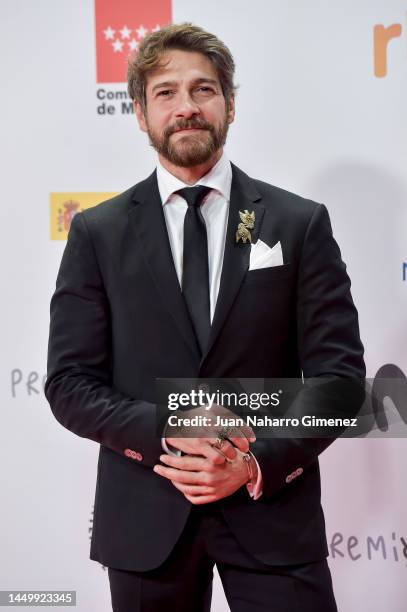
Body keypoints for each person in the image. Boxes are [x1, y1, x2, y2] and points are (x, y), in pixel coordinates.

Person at [45, 22, 365, 612]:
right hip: (146, 519)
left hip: (273, 518)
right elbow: (69, 384)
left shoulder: (298, 223)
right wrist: (169, 433)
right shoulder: (98, 233)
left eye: (204, 90)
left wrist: (250, 464)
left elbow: (340, 383)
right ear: (140, 113)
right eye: (165, 93)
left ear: (231, 104)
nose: (186, 107)